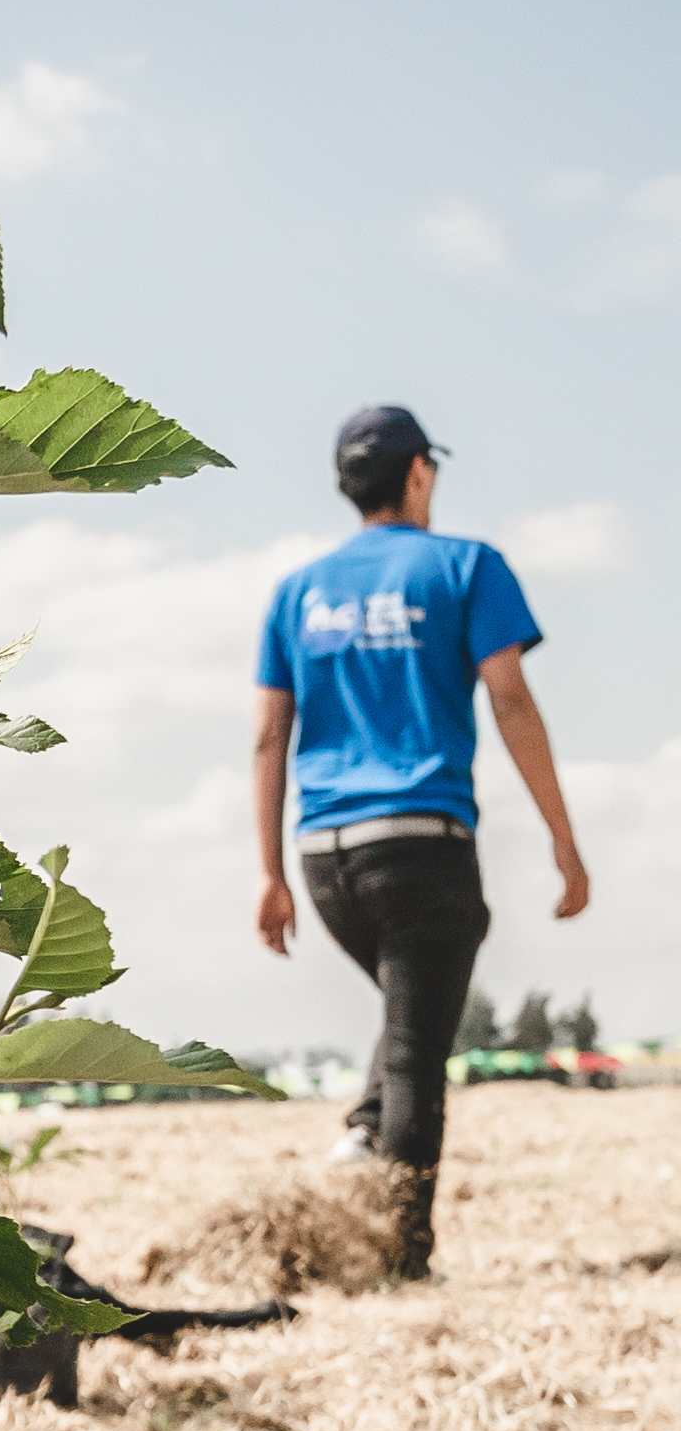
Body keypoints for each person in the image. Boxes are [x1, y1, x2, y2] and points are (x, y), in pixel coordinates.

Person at [252, 405, 588, 1280]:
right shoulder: (466, 566)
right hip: (422, 843)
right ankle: (401, 1259)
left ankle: (362, 1132)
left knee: (411, 1021)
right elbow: (510, 700)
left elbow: (267, 738)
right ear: (418, 474)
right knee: (416, 1055)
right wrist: (563, 839)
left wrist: (269, 874)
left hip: (323, 857)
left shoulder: (297, 592)